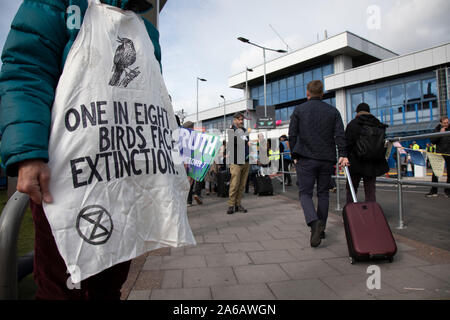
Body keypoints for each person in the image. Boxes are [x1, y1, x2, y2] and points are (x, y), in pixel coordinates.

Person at [0, 0, 168, 300]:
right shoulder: (54, 4)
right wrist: (29, 153)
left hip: (121, 179)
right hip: (63, 178)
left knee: (109, 284)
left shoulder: (145, 29)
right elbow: (27, 72)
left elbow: (152, 96)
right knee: (61, 287)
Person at [288, 80, 348, 248]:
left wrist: (294, 154)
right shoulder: (333, 111)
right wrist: (343, 154)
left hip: (305, 158)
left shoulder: (299, 110)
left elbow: (292, 135)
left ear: (307, 94)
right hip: (327, 159)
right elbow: (340, 135)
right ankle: (321, 229)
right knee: (323, 194)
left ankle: (314, 223)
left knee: (305, 193)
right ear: (322, 94)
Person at [344, 103, 389, 204]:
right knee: (370, 190)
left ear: (357, 112)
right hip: (373, 162)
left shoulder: (353, 124)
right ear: (369, 111)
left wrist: (345, 157)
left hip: (355, 162)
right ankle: (372, 214)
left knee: (351, 189)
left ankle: (351, 213)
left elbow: (347, 144)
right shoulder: (378, 124)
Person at [227, 112, 250, 214]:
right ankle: (231, 205)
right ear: (235, 120)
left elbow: (247, 142)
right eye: (239, 119)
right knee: (234, 184)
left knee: (242, 185)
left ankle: (238, 204)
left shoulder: (245, 130)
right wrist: (245, 142)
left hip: (246, 160)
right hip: (235, 161)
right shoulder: (231, 129)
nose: (241, 121)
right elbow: (234, 141)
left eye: (242, 119)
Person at [426, 116, 450, 197]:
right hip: (439, 153)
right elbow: (433, 141)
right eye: (444, 123)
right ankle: (434, 191)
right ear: (441, 123)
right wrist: (440, 133)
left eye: (447, 122)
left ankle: (447, 191)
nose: (446, 124)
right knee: (436, 172)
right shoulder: (437, 129)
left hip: (448, 153)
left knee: (449, 173)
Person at [183, 121, 203, 206]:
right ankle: (196, 193)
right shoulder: (195, 137)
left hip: (186, 161)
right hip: (195, 160)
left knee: (189, 181)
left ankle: (188, 201)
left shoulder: (184, 137)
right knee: (198, 178)